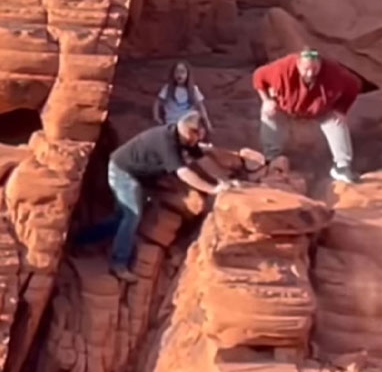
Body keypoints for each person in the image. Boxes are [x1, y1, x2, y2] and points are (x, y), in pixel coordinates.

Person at [107, 111, 230, 283]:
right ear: (190, 132)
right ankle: (118, 264)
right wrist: (212, 189)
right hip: (123, 172)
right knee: (132, 214)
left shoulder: (185, 138)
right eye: (198, 136)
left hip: (140, 175)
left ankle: (83, 240)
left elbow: (202, 161)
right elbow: (183, 172)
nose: (198, 141)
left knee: (121, 219)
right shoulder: (167, 141)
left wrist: (224, 180)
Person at [252, 48, 362, 183]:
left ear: (320, 64)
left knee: (336, 121)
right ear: (298, 64)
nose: (310, 73)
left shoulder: (333, 71)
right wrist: (267, 100)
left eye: (315, 69)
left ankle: (342, 167)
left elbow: (354, 85)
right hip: (285, 106)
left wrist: (341, 109)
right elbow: (258, 76)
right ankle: (271, 159)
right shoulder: (282, 67)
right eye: (306, 69)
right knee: (268, 112)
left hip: (319, 108)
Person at [153, 61, 213, 136]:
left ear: (188, 74)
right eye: (177, 72)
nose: (179, 75)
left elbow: (200, 106)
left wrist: (207, 122)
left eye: (182, 72)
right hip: (172, 123)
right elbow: (157, 102)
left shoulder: (193, 90)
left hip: (188, 123)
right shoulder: (167, 89)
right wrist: (156, 117)